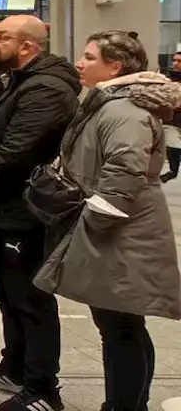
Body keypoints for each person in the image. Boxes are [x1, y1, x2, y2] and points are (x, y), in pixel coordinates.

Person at [32, 31, 181, 411]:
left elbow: (123, 173)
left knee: (120, 327)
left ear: (115, 66)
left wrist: (93, 224)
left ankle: (124, 405)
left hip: (123, 232)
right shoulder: (112, 104)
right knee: (121, 325)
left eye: (89, 57)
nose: (80, 63)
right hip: (124, 228)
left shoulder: (123, 110)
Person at [0, 15, 79, 411]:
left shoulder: (46, 89)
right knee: (8, 293)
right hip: (2, 206)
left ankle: (43, 387)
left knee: (29, 296)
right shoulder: (19, 80)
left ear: (28, 46)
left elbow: (16, 150)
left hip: (23, 211)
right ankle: (16, 364)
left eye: (3, 37)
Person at [163, 51, 181, 182]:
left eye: (179, 61)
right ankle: (172, 171)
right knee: (173, 146)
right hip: (172, 120)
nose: (175, 64)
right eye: (174, 60)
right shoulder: (167, 79)